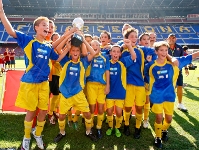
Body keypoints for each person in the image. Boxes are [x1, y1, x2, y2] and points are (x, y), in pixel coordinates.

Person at [0, 1, 69, 149]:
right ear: (36, 27)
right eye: (44, 25)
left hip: (44, 83)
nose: (47, 27)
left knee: (43, 110)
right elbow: (11, 31)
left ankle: (37, 133)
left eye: (48, 26)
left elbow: (56, 58)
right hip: (30, 83)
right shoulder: (29, 40)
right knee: (31, 111)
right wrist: (1, 13)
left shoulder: (47, 45)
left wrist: (67, 47)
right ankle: (26, 137)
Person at [144, 41, 199, 148]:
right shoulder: (150, 65)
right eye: (161, 50)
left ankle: (164, 130)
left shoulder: (175, 64)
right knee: (159, 118)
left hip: (169, 96)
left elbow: (192, 56)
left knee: (168, 119)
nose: (164, 52)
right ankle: (158, 137)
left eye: (166, 50)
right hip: (156, 96)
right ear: (156, 52)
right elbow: (146, 78)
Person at [53, 34, 98, 143]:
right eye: (73, 50)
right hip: (66, 94)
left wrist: (83, 41)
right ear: (70, 51)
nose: (75, 53)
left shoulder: (83, 62)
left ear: (79, 51)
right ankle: (62, 132)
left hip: (78, 93)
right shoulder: (65, 61)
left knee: (87, 113)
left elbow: (93, 53)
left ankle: (88, 131)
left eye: (77, 50)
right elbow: (57, 49)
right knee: (62, 116)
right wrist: (67, 46)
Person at [121, 28, 156, 139]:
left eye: (136, 36)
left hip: (140, 84)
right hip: (127, 84)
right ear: (127, 39)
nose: (134, 38)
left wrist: (150, 60)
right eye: (132, 36)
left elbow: (154, 51)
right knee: (127, 108)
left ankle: (137, 127)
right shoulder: (122, 52)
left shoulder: (141, 50)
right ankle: (126, 125)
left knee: (139, 107)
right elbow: (127, 62)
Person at [106, 41, 136, 138]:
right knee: (109, 111)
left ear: (120, 54)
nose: (115, 53)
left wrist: (129, 46)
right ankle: (111, 127)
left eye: (117, 52)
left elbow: (133, 56)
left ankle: (117, 127)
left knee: (119, 112)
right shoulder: (107, 63)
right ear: (110, 53)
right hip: (109, 93)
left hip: (120, 92)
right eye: (113, 51)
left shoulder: (123, 62)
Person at [85, 40, 110, 139]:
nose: (95, 46)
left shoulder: (105, 57)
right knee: (91, 107)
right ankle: (89, 126)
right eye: (92, 45)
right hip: (91, 85)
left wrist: (108, 85)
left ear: (100, 47)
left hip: (102, 86)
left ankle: (99, 127)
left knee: (100, 108)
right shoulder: (88, 57)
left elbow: (107, 71)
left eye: (97, 45)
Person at [167, 33, 188, 112]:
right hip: (168, 71)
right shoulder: (164, 47)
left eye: (173, 38)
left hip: (178, 70)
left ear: (176, 39)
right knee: (169, 87)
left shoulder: (179, 47)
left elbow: (183, 59)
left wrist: (186, 68)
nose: (172, 39)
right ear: (167, 38)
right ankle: (168, 102)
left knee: (180, 86)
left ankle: (180, 103)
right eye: (170, 38)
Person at [138, 32, 152, 128]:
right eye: (144, 39)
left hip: (146, 79)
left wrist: (148, 63)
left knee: (147, 100)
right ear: (140, 41)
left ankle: (146, 119)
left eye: (148, 39)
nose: (146, 41)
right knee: (137, 101)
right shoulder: (137, 51)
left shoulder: (152, 51)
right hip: (137, 80)